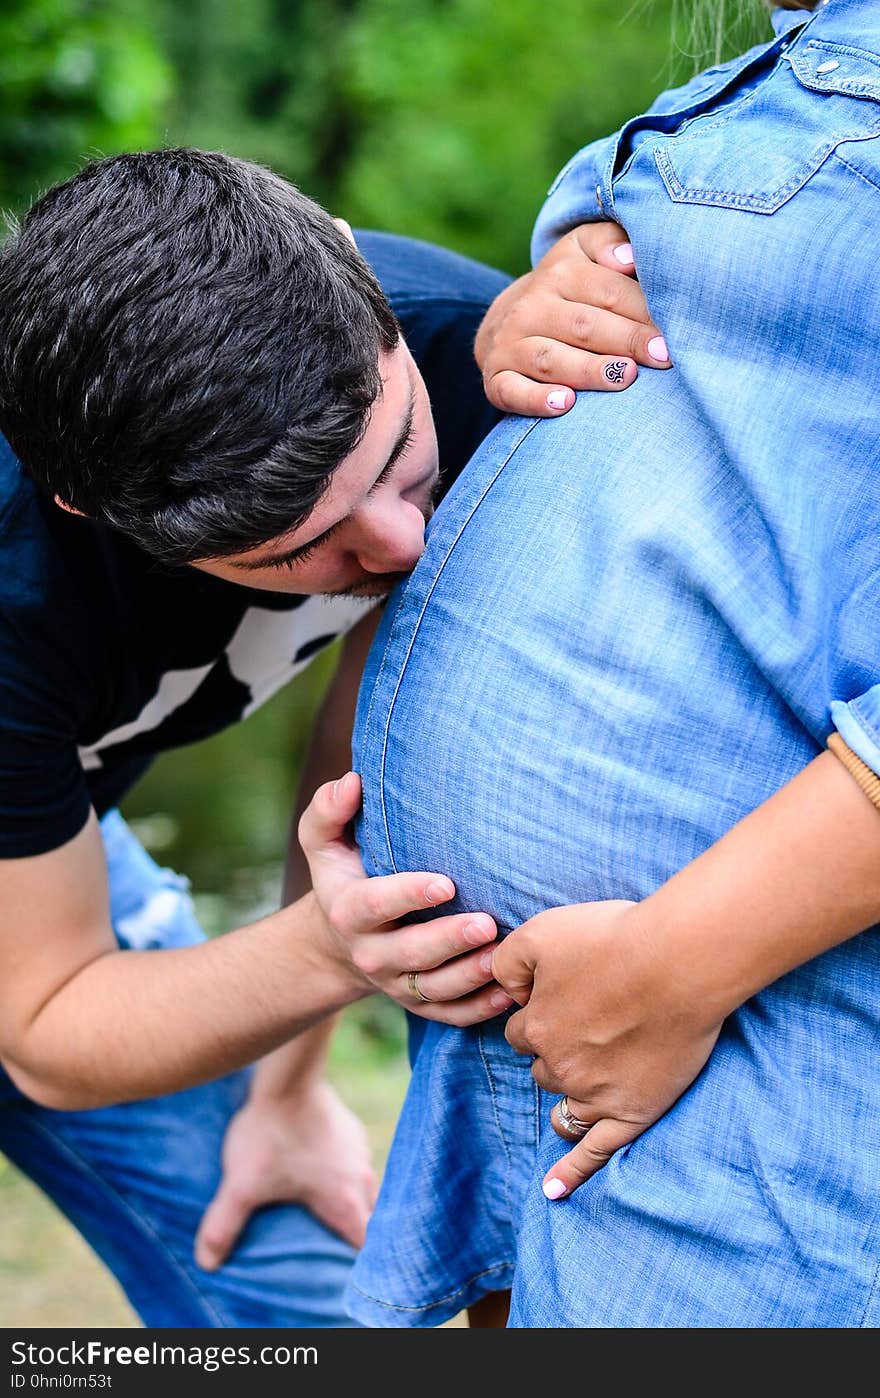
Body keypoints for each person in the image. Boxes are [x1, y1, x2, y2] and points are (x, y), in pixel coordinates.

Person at [0, 148, 659, 1326]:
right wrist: (325, 954)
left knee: (304, 1308)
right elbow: (48, 1025)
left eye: (402, 456)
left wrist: (291, 1085)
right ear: (90, 513)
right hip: (37, 946)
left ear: (354, 269)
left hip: (48, 859)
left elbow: (369, 737)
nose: (402, 547)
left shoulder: (460, 345)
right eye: (299, 551)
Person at [346, 0, 880, 1327]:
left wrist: (673, 965)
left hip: (739, 1019)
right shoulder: (787, 66)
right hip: (558, 1025)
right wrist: (538, 298)